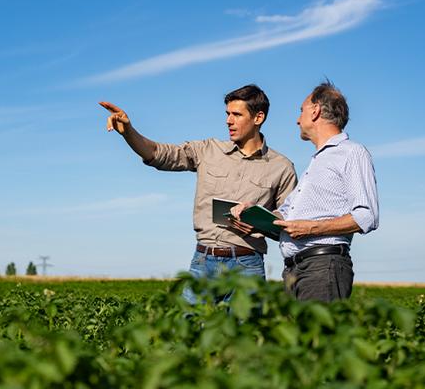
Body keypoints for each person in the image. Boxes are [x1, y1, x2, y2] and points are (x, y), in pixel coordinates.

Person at [100, 85, 297, 303]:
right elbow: (158, 154)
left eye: (237, 115)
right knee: (189, 330)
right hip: (203, 261)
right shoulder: (207, 150)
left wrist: (260, 223)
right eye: (227, 114)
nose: (228, 121)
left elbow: (290, 222)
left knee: (245, 334)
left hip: (247, 265)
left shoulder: (282, 167)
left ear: (258, 117)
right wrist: (128, 132)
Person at [231, 80, 378, 302]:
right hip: (296, 270)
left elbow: (367, 215)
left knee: (318, 338)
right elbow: (287, 216)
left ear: (316, 111)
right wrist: (256, 216)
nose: (297, 119)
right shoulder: (317, 162)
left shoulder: (352, 153)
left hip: (322, 268)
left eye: (301, 111)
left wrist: (312, 228)